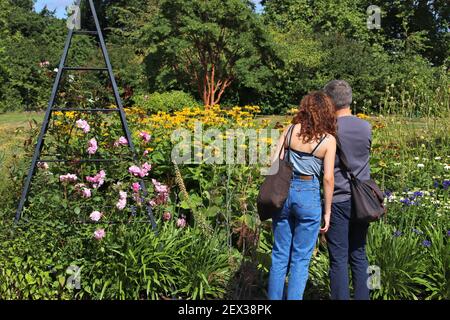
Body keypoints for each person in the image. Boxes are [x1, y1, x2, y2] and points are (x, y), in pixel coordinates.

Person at [267, 91, 337, 300]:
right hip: (308, 194)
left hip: (284, 192)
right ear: (327, 112)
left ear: (304, 109)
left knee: (279, 255)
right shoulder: (328, 140)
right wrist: (328, 211)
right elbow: (328, 178)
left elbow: (274, 162)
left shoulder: (289, 131)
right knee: (301, 259)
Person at [323, 80, 372, 300]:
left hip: (339, 198)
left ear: (330, 102)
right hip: (363, 199)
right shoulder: (366, 127)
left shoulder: (328, 129)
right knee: (360, 254)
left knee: (338, 259)